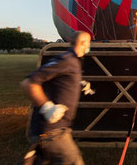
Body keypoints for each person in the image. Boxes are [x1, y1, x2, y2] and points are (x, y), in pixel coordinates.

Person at [20, 31, 93, 164]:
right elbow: (28, 83)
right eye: (88, 42)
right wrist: (47, 107)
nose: (89, 46)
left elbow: (60, 80)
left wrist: (78, 84)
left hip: (53, 130)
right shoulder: (67, 60)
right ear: (83, 43)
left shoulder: (74, 61)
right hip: (52, 132)